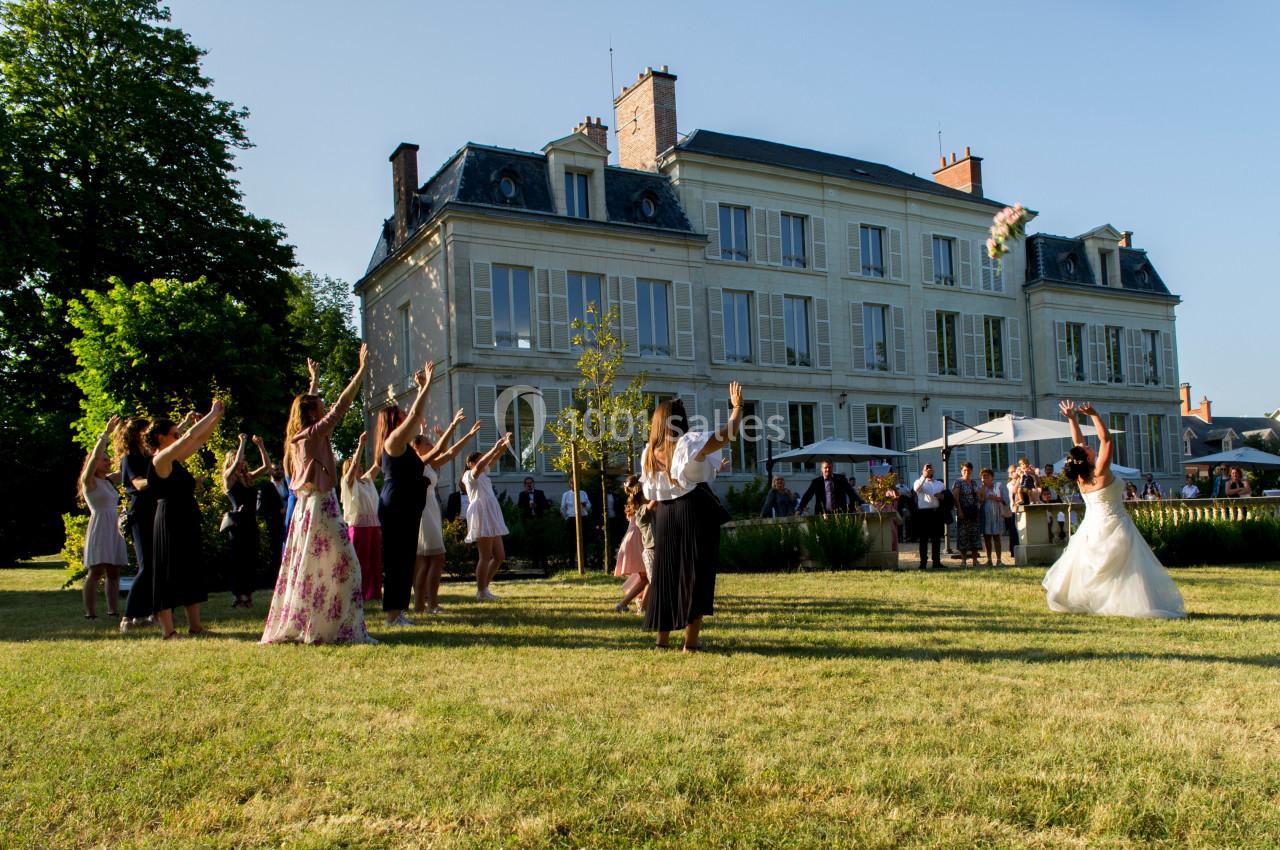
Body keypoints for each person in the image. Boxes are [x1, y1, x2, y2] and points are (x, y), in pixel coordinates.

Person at [261, 346, 375, 645]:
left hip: (308, 507)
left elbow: (312, 407)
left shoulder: (298, 437)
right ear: (312, 414)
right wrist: (360, 371)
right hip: (321, 506)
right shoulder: (312, 435)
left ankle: (319, 625)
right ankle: (335, 627)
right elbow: (342, 406)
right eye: (320, 406)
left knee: (311, 569)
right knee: (346, 566)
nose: (325, 409)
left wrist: (314, 380)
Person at [1042, 400, 1185, 618]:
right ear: (1087, 458)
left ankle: (1098, 601)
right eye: (1087, 448)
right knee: (1127, 567)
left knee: (1099, 566)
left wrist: (1072, 418)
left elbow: (1077, 443)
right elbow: (1106, 439)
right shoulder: (1100, 471)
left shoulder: (1082, 476)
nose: (1087, 445)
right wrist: (1094, 414)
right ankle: (1127, 604)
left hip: (1091, 527)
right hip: (1114, 523)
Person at [641, 383, 743, 652]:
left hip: (665, 513)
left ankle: (662, 641)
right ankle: (691, 643)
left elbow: (653, 488)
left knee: (666, 574)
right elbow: (727, 434)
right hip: (692, 510)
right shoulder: (687, 443)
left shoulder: (649, 452)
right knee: (696, 573)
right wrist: (737, 408)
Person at [148, 402, 224, 640]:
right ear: (161, 438)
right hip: (169, 519)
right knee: (167, 571)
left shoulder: (174, 461)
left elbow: (198, 440)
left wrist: (216, 419)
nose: (178, 436)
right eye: (174, 434)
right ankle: (169, 631)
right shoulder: (160, 460)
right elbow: (190, 436)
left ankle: (195, 626)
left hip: (185, 518)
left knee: (190, 568)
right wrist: (210, 413)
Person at [375, 359, 435, 626]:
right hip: (397, 504)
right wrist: (426, 385)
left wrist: (421, 388)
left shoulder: (403, 445)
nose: (405, 414)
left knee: (405, 558)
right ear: (394, 421)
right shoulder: (393, 441)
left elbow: (415, 418)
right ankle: (393, 614)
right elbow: (416, 416)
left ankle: (398, 610)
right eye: (401, 413)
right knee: (397, 559)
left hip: (405, 504)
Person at [413, 411, 482, 613]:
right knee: (436, 558)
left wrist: (469, 435)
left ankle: (421, 604)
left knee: (426, 560)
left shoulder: (427, 464)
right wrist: (452, 426)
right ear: (417, 447)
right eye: (427, 443)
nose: (431, 445)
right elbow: (444, 450)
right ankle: (430, 604)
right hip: (424, 513)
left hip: (430, 510)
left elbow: (450, 453)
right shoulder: (417, 463)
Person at [79, 415, 127, 619]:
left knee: (114, 572)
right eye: (104, 460)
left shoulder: (109, 480)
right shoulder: (89, 481)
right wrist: (106, 434)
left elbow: (132, 464)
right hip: (99, 526)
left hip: (114, 527)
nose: (108, 462)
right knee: (96, 571)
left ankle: (113, 610)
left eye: (108, 460)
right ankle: (90, 613)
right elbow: (93, 459)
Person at [462, 432, 514, 601]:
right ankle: (481, 591)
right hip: (482, 514)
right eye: (479, 460)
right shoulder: (469, 476)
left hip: (490, 514)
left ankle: (484, 588)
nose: (483, 462)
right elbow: (483, 463)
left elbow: (493, 458)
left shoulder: (483, 473)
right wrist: (494, 448)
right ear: (470, 463)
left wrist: (505, 444)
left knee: (499, 556)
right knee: (485, 556)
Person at [222, 434, 271, 609]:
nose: (242, 461)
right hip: (238, 524)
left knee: (251, 558)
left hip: (251, 521)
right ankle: (238, 595)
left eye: (243, 458)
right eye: (239, 458)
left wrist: (261, 446)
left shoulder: (248, 477)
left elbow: (266, 467)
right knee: (238, 559)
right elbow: (235, 463)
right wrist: (242, 442)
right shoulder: (228, 478)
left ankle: (248, 595)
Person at [341, 432, 382, 603]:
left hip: (373, 525)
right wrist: (360, 445)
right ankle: (359, 594)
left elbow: (378, 463)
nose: (360, 468)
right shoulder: (348, 482)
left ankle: (374, 593)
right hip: (359, 527)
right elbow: (352, 468)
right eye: (356, 466)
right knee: (361, 561)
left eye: (360, 467)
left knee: (375, 561)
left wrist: (385, 438)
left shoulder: (367, 480)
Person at [613, 475, 651, 613]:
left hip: (633, 538)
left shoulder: (632, 500)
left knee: (645, 576)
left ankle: (634, 603)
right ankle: (640, 606)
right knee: (648, 576)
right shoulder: (641, 500)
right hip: (638, 539)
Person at [797, 460, 864, 515]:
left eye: (829, 467)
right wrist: (800, 509)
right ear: (821, 469)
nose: (828, 469)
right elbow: (808, 495)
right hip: (822, 514)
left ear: (832, 468)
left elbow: (851, 493)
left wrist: (858, 505)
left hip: (840, 513)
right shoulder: (817, 482)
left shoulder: (841, 479)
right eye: (825, 467)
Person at [257, 462, 289, 574]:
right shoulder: (265, 487)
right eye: (276, 469)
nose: (279, 471)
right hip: (275, 525)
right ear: (270, 472)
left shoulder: (288, 484)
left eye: (280, 469)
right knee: (276, 552)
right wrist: (278, 511)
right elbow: (260, 509)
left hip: (290, 521)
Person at [913, 464, 945, 569]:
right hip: (924, 514)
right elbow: (916, 489)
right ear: (923, 471)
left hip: (936, 513)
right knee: (923, 539)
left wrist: (942, 496)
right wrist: (924, 476)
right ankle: (923, 563)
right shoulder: (918, 481)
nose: (929, 470)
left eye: (930, 469)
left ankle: (936, 562)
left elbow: (946, 495)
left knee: (936, 539)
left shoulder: (939, 483)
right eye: (926, 469)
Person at [952, 462, 983, 568]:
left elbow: (978, 496)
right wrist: (959, 510)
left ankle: (975, 561)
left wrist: (978, 506)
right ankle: (964, 561)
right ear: (961, 471)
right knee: (963, 536)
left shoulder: (974, 483)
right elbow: (955, 497)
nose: (967, 472)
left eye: (968, 470)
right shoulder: (958, 482)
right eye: (964, 470)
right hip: (963, 512)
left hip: (973, 512)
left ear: (971, 471)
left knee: (975, 536)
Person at [978, 467, 1008, 566]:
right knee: (987, 537)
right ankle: (989, 560)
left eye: (986, 476)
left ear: (992, 477)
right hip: (986, 514)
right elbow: (980, 501)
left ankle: (999, 560)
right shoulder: (981, 488)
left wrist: (993, 497)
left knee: (996, 537)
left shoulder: (998, 486)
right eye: (983, 477)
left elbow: (1003, 499)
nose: (984, 479)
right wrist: (983, 493)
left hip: (996, 513)